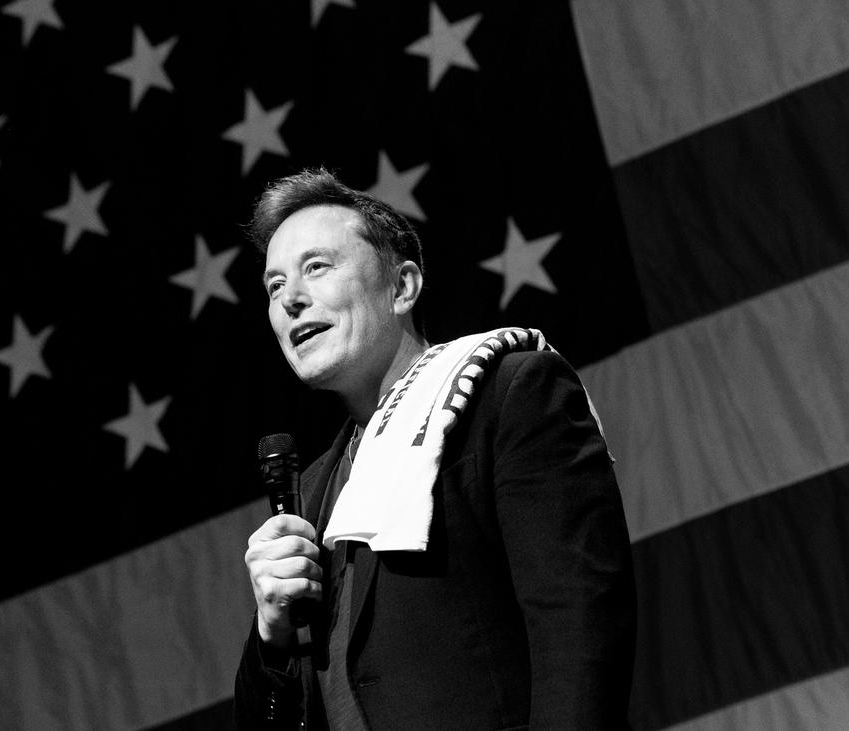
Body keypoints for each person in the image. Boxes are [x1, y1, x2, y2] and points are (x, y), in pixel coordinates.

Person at [235, 169, 636, 729]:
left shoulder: (507, 397)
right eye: (274, 286)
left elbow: (579, 625)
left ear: (402, 287)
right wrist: (272, 634)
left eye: (317, 267)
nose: (291, 300)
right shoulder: (314, 492)